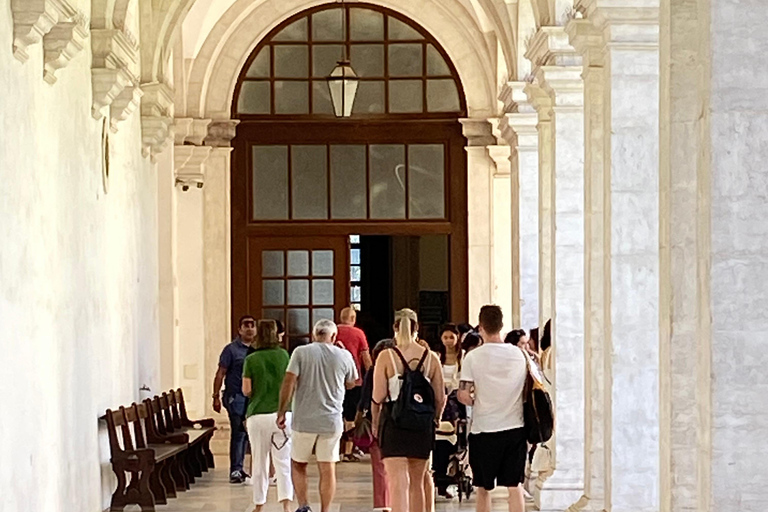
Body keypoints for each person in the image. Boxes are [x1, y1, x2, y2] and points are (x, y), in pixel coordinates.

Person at [276, 319, 358, 512]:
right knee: (327, 467)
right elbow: (352, 383)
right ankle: (325, 509)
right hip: (331, 421)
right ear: (334, 336)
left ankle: (304, 506)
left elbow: (289, 381)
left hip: (304, 420)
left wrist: (281, 410)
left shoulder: (301, 352)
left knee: (298, 463)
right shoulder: (344, 355)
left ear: (313, 336)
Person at [372, 308, 446, 512]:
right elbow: (440, 397)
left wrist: (375, 423)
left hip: (394, 422)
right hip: (421, 424)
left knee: (397, 484)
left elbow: (378, 396)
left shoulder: (387, 356)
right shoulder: (431, 357)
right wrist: (436, 419)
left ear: (395, 327)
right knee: (417, 482)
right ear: (417, 328)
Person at [458, 305, 528, 512]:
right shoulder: (519, 355)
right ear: (501, 325)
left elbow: (463, 395)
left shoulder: (472, 357)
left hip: (484, 429)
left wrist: (478, 399)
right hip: (515, 427)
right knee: (515, 487)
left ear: (481, 326)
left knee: (483, 488)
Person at [243, 320, 293, 512]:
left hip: (258, 414)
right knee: (283, 462)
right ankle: (287, 505)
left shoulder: (251, 359)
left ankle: (259, 505)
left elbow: (246, 390)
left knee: (259, 461)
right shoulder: (284, 356)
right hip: (284, 414)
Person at [212, 314, 255, 483]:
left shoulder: (257, 350)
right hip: (235, 396)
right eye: (246, 325)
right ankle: (236, 469)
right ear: (239, 329)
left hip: (252, 397)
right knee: (238, 432)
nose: (250, 328)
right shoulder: (231, 350)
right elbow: (221, 372)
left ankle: (246, 468)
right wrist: (215, 396)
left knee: (248, 434)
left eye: (253, 325)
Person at [358, 338, 395, 512]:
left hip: (378, 419)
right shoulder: (400, 370)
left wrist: (359, 416)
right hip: (397, 420)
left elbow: (365, 398)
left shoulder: (373, 371)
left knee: (379, 466)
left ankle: (381, 503)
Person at [336, 307, 373, 461]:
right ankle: (348, 451)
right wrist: (372, 375)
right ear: (353, 319)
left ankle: (335, 449)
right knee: (351, 416)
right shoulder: (358, 333)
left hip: (334, 380)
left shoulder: (333, 331)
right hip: (355, 379)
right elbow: (365, 357)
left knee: (337, 414)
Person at [433, 323, 464, 499]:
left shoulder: (463, 357)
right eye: (445, 337)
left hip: (457, 401)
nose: (449, 341)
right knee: (440, 441)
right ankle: (439, 478)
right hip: (442, 400)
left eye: (451, 337)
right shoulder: (437, 357)